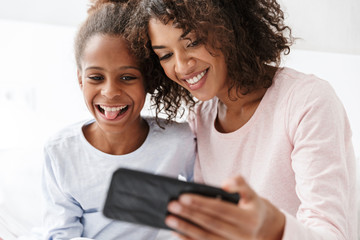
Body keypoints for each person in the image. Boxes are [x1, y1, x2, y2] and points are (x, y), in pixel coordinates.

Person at [126, 0, 358, 239]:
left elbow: (330, 233)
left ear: (228, 26)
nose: (182, 65)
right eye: (165, 55)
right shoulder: (201, 119)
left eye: (193, 42)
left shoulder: (306, 101)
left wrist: (274, 227)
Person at [41, 1, 196, 239]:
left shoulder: (179, 141)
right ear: (80, 79)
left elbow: (204, 212)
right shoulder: (60, 152)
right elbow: (61, 232)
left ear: (148, 80)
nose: (110, 92)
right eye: (95, 77)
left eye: (127, 77)